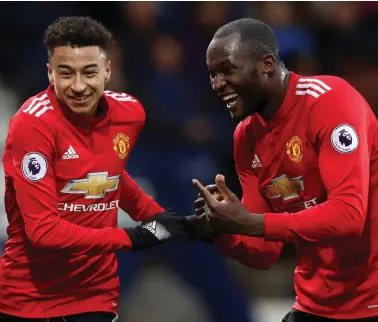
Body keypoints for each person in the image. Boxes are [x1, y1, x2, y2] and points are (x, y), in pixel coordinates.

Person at [0, 16, 197, 322]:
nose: (78, 86)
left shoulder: (130, 114)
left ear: (107, 71)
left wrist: (156, 216)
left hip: (95, 294)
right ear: (51, 73)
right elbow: (43, 231)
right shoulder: (32, 125)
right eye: (67, 73)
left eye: (89, 72)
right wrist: (131, 237)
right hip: (30, 298)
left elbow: (110, 174)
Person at [192, 18, 378, 322]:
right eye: (213, 75)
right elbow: (264, 252)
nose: (217, 84)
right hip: (315, 305)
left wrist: (251, 223)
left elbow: (349, 214)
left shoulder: (329, 101)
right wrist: (222, 229)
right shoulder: (246, 137)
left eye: (227, 71)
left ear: (266, 64)